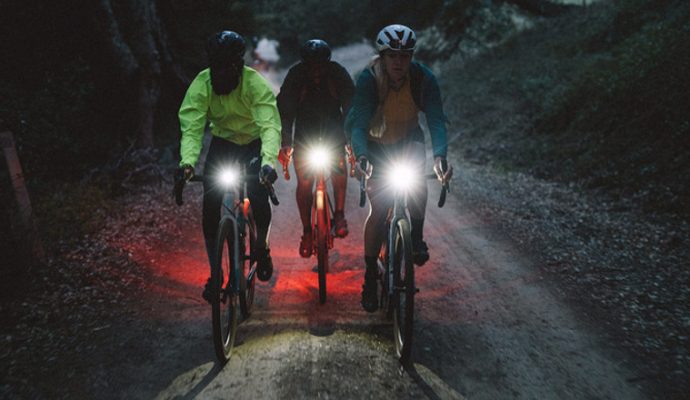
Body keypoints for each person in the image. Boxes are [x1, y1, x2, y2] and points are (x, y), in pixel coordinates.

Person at [346, 24, 453, 312]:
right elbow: (358, 124)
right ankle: (370, 276)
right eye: (392, 56)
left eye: (404, 56)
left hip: (408, 139)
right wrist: (362, 157)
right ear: (382, 57)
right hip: (375, 145)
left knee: (416, 182)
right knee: (379, 210)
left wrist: (440, 157)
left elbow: (436, 120)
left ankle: (415, 237)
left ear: (411, 58)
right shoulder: (369, 79)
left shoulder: (422, 78)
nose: (398, 62)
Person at [177, 30, 281, 299]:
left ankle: (262, 247)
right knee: (210, 205)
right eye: (216, 66)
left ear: (238, 65)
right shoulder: (203, 84)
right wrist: (187, 163)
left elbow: (270, 126)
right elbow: (192, 127)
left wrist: (268, 164)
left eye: (227, 66)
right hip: (223, 143)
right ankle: (216, 272)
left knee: (258, 197)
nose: (220, 72)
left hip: (253, 142)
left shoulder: (253, 84)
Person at [276, 39, 355, 257]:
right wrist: (286, 143)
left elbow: (351, 106)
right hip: (305, 136)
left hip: (334, 133)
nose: (317, 71)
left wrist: (350, 140)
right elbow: (285, 112)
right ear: (305, 65)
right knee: (304, 182)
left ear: (327, 63)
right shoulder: (295, 76)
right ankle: (307, 231)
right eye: (312, 66)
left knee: (339, 166)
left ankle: (339, 214)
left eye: (321, 65)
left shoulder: (337, 74)